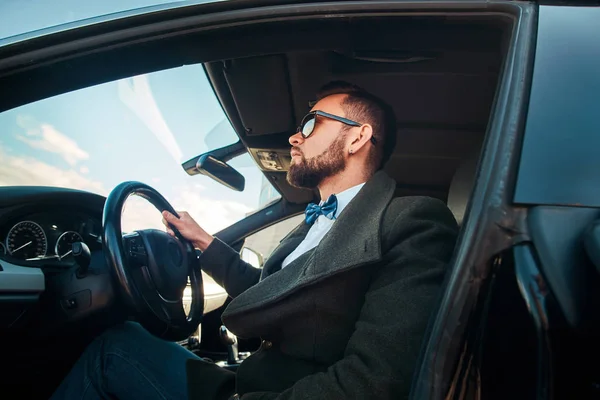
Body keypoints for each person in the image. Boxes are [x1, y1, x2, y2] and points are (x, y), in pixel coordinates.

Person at [50, 81, 458, 400]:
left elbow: (376, 381)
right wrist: (203, 243)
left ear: (356, 138)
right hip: (245, 377)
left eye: (311, 123)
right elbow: (268, 293)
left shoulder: (411, 220)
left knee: (114, 349)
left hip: (267, 395)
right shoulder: (309, 222)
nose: (295, 138)